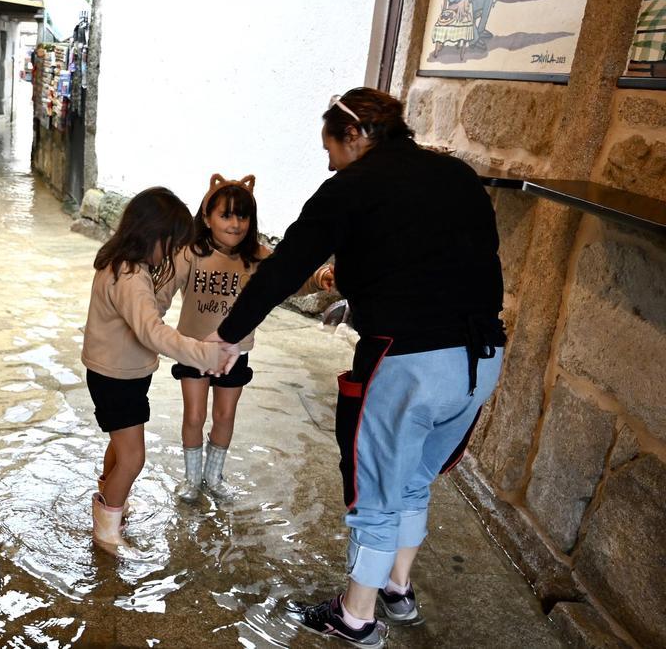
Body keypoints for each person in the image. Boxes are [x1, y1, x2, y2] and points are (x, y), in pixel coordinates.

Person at [212, 88, 505, 647]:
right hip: (482, 360)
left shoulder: (350, 187)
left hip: (408, 365)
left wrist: (228, 336)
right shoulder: (458, 175)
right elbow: (454, 260)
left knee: (375, 493)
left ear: (353, 136)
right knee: (414, 481)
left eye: (331, 150)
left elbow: (282, 269)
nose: (330, 164)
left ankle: (356, 616)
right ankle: (398, 588)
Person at [81, 187, 239, 555]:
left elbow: (149, 313)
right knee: (133, 457)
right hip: (117, 379)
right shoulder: (131, 277)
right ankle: (106, 531)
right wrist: (204, 354)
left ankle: (111, 499)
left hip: (117, 374)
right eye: (171, 244)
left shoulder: (119, 263)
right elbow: (152, 331)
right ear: (153, 234)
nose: (171, 253)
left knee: (121, 447)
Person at [166, 174, 333, 502]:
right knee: (194, 415)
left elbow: (289, 280)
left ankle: (214, 477)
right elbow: (163, 287)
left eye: (243, 216)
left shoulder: (257, 256)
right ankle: (191, 479)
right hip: (194, 349)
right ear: (207, 218)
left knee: (225, 415)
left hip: (236, 352)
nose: (235, 224)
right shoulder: (191, 252)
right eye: (225, 215)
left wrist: (318, 277)